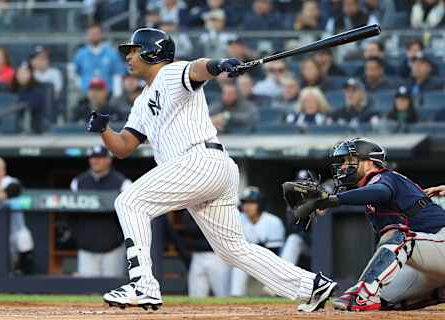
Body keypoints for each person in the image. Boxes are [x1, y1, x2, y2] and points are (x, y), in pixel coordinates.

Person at [87, 27, 336, 312]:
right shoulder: (142, 101)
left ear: (151, 52)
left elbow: (197, 69)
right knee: (232, 249)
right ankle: (311, 285)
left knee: (129, 202)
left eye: (132, 50)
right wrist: (104, 130)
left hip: (198, 160)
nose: (128, 56)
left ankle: (143, 285)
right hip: (205, 170)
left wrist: (218, 65)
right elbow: (124, 147)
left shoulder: (169, 74)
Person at [287, 138, 445, 311]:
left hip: (440, 239)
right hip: (431, 259)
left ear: (370, 163)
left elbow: (381, 192)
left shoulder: (384, 177)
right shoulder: (372, 189)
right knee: (385, 299)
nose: (345, 166)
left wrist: (332, 200)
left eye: (350, 160)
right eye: (344, 161)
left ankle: (363, 294)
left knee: (399, 237)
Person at [70, 145, 131, 277]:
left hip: (113, 247)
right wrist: (78, 238)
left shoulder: (122, 183)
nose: (95, 161)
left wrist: (121, 239)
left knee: (112, 290)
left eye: (100, 158)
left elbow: (130, 215)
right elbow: (71, 216)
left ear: (109, 160)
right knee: (87, 291)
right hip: (86, 247)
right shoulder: (78, 182)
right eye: (93, 158)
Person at [230, 187, 286, 296]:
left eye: (252, 203)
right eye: (245, 203)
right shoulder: (237, 219)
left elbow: (274, 252)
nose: (247, 206)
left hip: (270, 263)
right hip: (245, 261)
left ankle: (276, 294)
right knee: (238, 265)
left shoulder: (273, 221)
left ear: (260, 204)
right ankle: (235, 296)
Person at [181, 211, 231, 297]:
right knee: (196, 297)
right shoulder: (191, 208)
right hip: (197, 255)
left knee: (223, 295)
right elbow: (189, 229)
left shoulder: (220, 207)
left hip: (218, 256)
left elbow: (219, 228)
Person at [72, 24, 125, 97]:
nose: (94, 35)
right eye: (91, 33)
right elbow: (74, 73)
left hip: (108, 95)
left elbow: (118, 74)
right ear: (87, 35)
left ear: (101, 35)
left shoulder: (112, 53)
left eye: (96, 33)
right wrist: (81, 87)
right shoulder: (80, 54)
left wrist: (117, 94)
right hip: (86, 95)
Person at [10, 62, 48, 134]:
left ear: (31, 74)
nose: (22, 76)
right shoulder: (11, 90)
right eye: (20, 73)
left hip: (34, 128)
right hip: (11, 127)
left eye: (25, 73)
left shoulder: (38, 90)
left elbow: (31, 106)